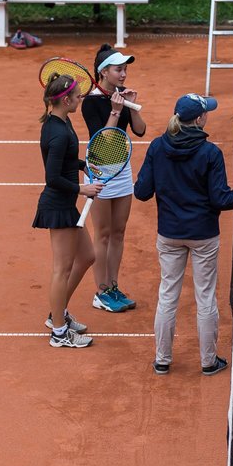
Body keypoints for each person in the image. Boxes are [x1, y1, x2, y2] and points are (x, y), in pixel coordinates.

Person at [134, 93, 233, 376]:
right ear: (198, 119)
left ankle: (162, 359)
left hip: (169, 234)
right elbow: (221, 199)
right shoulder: (209, 153)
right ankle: (208, 362)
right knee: (205, 297)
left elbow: (142, 192)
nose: (208, 114)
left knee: (167, 295)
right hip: (203, 236)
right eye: (206, 112)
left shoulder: (158, 147)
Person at [34, 73, 103, 348]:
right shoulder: (58, 133)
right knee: (61, 269)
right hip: (58, 205)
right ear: (65, 99)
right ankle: (59, 332)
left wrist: (82, 165)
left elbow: (63, 162)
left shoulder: (61, 121)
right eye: (76, 97)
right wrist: (81, 189)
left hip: (65, 203)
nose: (80, 100)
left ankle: (58, 313)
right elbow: (52, 177)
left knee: (87, 256)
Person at [81, 45, 146, 314]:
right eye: (119, 69)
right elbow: (104, 139)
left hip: (121, 170)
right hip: (99, 170)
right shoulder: (92, 102)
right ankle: (101, 291)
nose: (123, 73)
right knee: (103, 234)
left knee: (119, 232)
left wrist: (133, 105)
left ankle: (114, 286)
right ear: (103, 72)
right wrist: (116, 110)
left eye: (125, 69)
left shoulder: (121, 96)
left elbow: (140, 131)